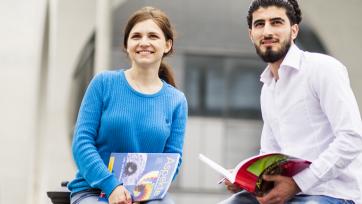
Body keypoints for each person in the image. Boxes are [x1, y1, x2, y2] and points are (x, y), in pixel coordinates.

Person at [219, 0, 362, 203]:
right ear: (251, 34)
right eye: (259, 24)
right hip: (283, 191)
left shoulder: (323, 69)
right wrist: (247, 180)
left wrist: (298, 184)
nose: (267, 31)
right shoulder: (268, 88)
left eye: (276, 22)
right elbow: (269, 155)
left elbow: (352, 138)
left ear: (294, 30)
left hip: (331, 193)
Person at [67, 6, 188, 204]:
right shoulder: (103, 83)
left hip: (147, 196)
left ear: (167, 45)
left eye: (153, 36)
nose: (144, 42)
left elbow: (172, 160)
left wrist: (143, 193)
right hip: (94, 191)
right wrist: (111, 186)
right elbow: (82, 143)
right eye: (136, 36)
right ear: (127, 44)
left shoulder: (177, 100)